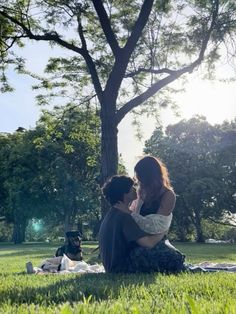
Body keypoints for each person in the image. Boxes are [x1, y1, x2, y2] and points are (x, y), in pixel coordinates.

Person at [99, 175, 185, 273]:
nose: (135, 189)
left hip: (112, 266)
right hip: (121, 268)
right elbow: (148, 243)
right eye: (131, 188)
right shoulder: (124, 217)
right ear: (124, 194)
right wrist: (163, 231)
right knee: (174, 257)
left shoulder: (112, 214)